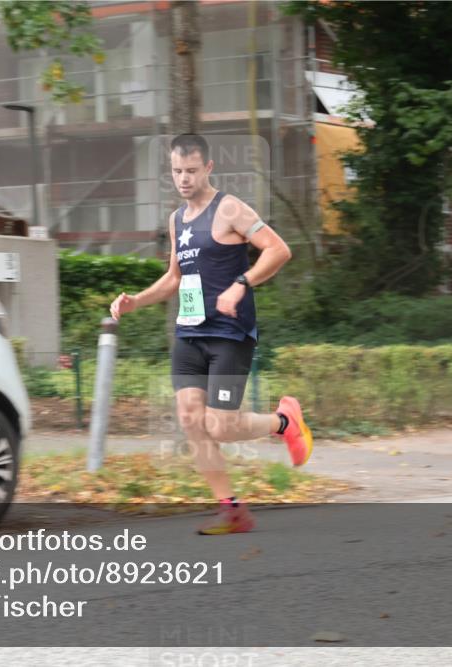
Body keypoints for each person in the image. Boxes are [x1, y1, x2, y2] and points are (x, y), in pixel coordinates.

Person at [110, 133, 312, 535]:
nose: (183, 179)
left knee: (221, 426)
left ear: (208, 168)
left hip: (229, 333)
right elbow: (174, 277)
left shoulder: (230, 208)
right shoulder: (176, 220)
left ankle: (284, 421)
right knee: (190, 419)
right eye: (176, 171)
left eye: (191, 171)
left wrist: (242, 282)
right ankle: (231, 510)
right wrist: (138, 300)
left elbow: (277, 250)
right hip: (189, 334)